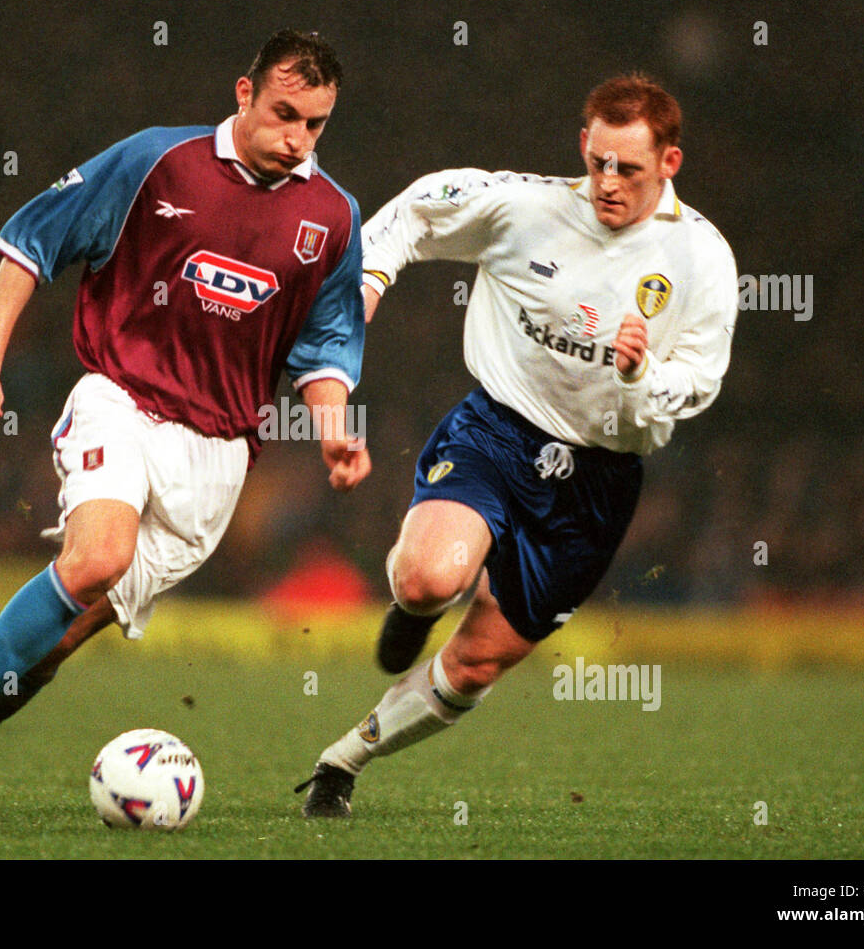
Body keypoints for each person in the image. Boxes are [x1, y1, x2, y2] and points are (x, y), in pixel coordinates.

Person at [0, 28, 371, 825]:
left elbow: (328, 343)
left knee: (53, 646)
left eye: (315, 125)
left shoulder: (331, 216)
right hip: (121, 399)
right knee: (96, 558)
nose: (296, 139)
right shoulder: (155, 163)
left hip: (218, 457)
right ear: (244, 92)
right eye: (284, 113)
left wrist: (333, 426)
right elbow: (30, 241)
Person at [296, 74, 738, 817]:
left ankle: (344, 760)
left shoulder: (703, 261)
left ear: (670, 164)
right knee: (430, 579)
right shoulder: (526, 207)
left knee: (472, 667)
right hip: (497, 435)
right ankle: (411, 605)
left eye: (628, 168)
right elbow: (414, 213)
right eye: (597, 160)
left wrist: (643, 372)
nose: (606, 182)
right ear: (582, 146)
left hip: (597, 484)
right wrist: (366, 282)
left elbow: (700, 384)